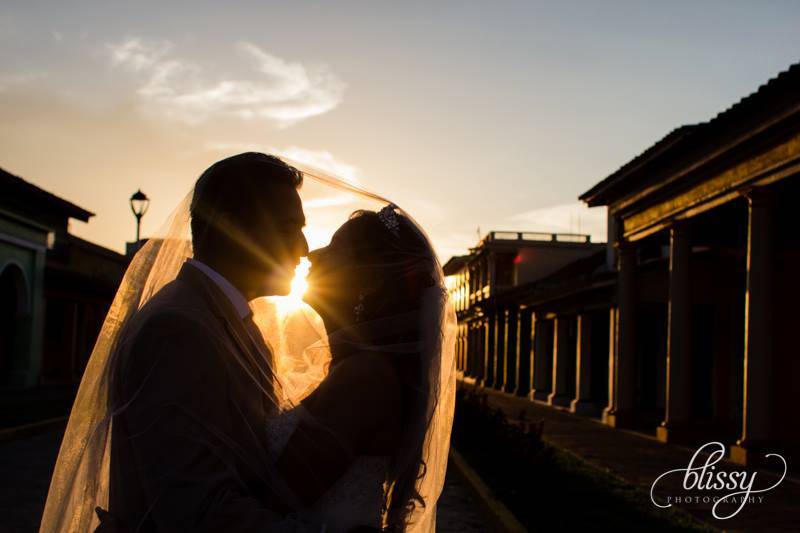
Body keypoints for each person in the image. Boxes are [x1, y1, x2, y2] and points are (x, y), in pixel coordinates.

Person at [263, 206, 450, 532]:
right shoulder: (354, 368)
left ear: (368, 281)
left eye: (334, 249)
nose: (314, 254)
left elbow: (275, 496)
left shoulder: (364, 379)